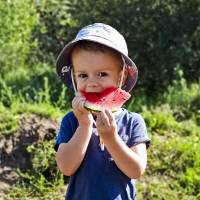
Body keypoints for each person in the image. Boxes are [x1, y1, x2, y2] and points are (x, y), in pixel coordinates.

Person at [54, 23, 151, 200]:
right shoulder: (71, 120)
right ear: (74, 78)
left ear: (121, 76)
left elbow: (136, 170)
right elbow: (66, 168)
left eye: (102, 74)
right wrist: (84, 126)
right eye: (83, 75)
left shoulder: (133, 122)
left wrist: (111, 138)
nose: (92, 83)